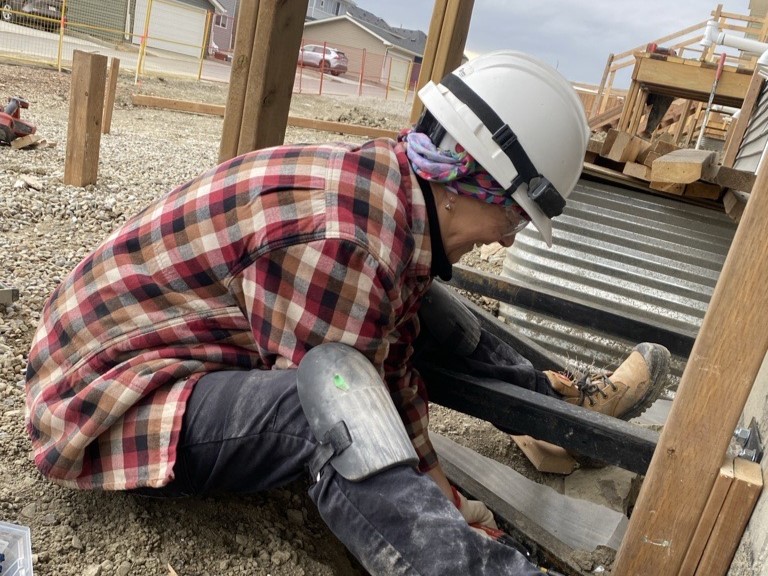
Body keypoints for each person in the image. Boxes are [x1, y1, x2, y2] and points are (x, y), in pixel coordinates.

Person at [25, 50, 669, 575]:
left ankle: (558, 416)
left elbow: (393, 363)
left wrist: (440, 488)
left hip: (154, 348)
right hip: (107, 400)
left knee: (421, 313)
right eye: (512, 216)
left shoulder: (393, 192)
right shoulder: (348, 245)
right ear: (467, 180)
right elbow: (352, 396)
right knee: (328, 410)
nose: (507, 238)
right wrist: (444, 523)